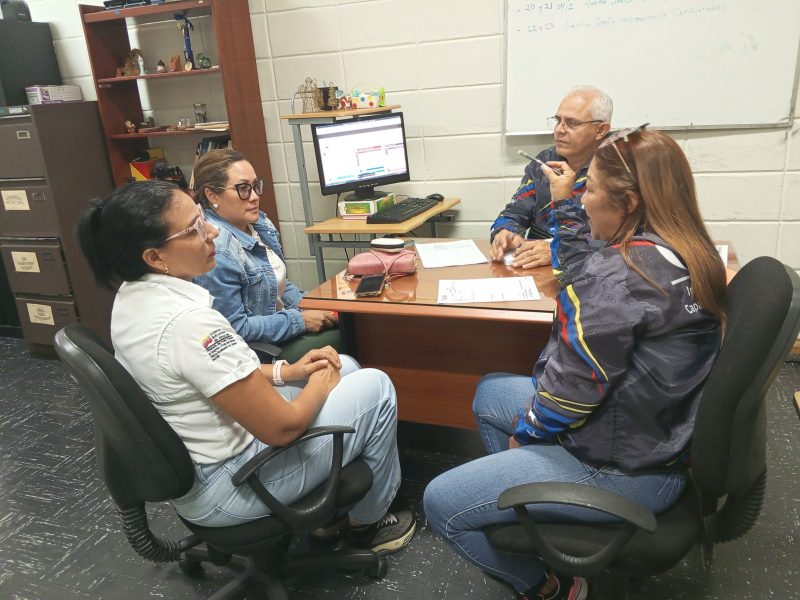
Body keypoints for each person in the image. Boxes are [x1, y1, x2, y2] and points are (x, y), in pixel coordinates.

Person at [424, 127, 727, 600]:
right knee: (490, 393)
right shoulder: (685, 252)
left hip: (622, 470)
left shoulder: (616, 278)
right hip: (657, 438)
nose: (583, 201)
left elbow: (571, 391)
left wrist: (527, 434)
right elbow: (586, 270)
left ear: (628, 203)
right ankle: (534, 521)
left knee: (440, 502)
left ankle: (549, 586)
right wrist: (563, 201)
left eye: (591, 191)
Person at [77, 179, 416, 554]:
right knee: (376, 386)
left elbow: (212, 377)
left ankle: (335, 515)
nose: (211, 232)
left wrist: (287, 372)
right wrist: (321, 383)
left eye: (202, 218)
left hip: (205, 467)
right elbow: (282, 428)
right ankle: (367, 526)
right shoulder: (189, 324)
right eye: (194, 229)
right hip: (234, 487)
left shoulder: (132, 298)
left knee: (346, 365)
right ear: (155, 257)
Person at [191, 149, 339, 363]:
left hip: (281, 326)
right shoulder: (218, 250)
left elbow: (278, 286)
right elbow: (234, 329)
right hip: (260, 351)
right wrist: (300, 320)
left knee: (349, 318)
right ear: (212, 195)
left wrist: (312, 305)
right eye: (243, 189)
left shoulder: (259, 224)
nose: (254, 196)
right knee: (349, 335)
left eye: (255, 186)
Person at [490, 86, 612, 269]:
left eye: (572, 123)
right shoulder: (545, 161)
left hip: (587, 269)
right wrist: (505, 231)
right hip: (532, 267)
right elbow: (515, 211)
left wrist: (557, 249)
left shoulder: (617, 168)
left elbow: (626, 240)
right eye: (558, 120)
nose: (559, 130)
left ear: (600, 130)